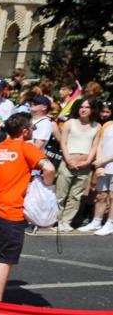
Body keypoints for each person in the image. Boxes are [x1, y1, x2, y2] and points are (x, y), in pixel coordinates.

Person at [0, 113, 55, 301]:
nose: (33, 132)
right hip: (12, 213)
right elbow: (49, 168)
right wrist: (46, 185)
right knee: (5, 261)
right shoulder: (26, 147)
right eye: (32, 129)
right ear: (24, 131)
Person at [55, 98, 99, 231]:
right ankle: (57, 220)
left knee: (76, 195)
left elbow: (95, 146)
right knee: (61, 194)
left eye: (87, 107)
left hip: (84, 166)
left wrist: (88, 161)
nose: (83, 109)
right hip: (68, 163)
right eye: (81, 107)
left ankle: (66, 221)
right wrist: (68, 160)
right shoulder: (69, 123)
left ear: (92, 110)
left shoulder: (97, 126)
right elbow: (63, 143)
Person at [85, 113, 113, 235]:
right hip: (104, 167)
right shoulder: (108, 124)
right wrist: (100, 165)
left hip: (108, 164)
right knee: (100, 195)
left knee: (112, 197)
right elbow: (100, 144)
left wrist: (103, 161)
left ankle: (110, 224)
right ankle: (96, 221)